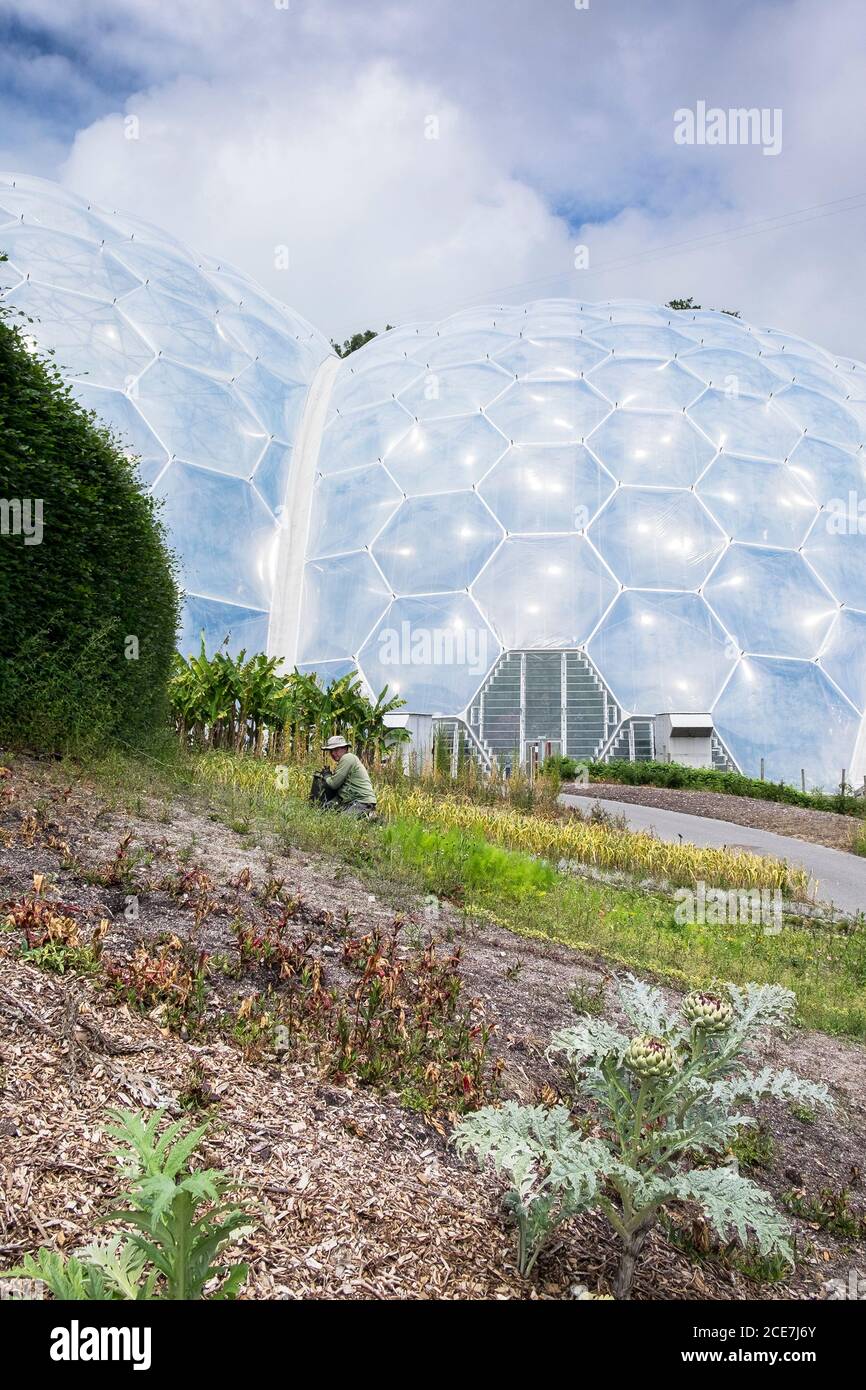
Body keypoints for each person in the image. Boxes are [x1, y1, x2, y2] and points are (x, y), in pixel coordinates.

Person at [320, 736, 377, 817]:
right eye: (331, 750)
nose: (333, 753)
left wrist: (326, 776)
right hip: (354, 801)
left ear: (345, 748)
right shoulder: (347, 760)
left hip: (362, 802)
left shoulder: (347, 758)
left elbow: (334, 784)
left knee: (341, 823)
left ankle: (373, 818)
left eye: (336, 749)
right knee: (327, 812)